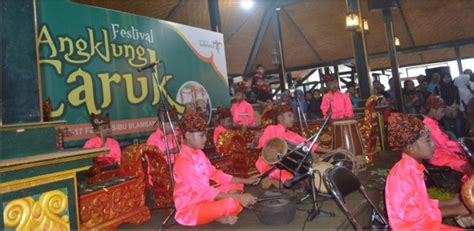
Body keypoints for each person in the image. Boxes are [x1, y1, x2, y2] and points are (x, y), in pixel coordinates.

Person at [173, 111, 259, 226]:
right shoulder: (184, 162)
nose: (205, 139)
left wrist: (246, 180)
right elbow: (205, 192)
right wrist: (238, 197)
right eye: (201, 135)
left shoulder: (199, 153)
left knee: (238, 185)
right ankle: (219, 215)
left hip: (206, 199)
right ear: (188, 135)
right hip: (191, 209)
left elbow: (216, 175)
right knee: (232, 204)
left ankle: (218, 214)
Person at [385, 113, 469, 230]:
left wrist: (452, 202)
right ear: (411, 148)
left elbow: (422, 204)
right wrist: (455, 209)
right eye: (428, 140)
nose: (433, 144)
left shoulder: (413, 168)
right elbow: (412, 219)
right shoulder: (401, 175)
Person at [255, 104, 329, 188]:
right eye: (289, 116)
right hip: (269, 164)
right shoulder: (271, 128)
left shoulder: (292, 134)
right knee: (289, 177)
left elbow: (309, 144)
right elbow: (264, 146)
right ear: (280, 118)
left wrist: (330, 151)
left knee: (303, 171)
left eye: (293, 117)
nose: (293, 119)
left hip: (287, 165)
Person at [423, 95, 473, 178]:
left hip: (444, 153)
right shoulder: (428, 124)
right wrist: (461, 146)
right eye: (442, 111)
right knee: (467, 166)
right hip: (438, 157)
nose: (443, 114)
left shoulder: (432, 122)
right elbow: (444, 144)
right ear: (432, 109)